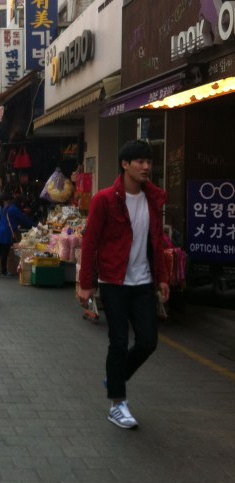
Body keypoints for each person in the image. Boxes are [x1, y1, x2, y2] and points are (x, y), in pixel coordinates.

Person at [77, 140, 170, 429]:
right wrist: (85, 284)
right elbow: (90, 242)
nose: (146, 167)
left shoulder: (153, 199)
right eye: (140, 162)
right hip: (114, 282)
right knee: (118, 342)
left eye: (149, 162)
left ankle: (115, 377)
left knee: (147, 341)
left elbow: (157, 241)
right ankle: (118, 403)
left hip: (143, 282)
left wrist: (163, 277)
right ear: (125, 164)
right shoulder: (105, 199)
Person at [0, 196, 35, 276]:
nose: (23, 205)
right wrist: (36, 226)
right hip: (6, 233)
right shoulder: (15, 209)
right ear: (20, 202)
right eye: (23, 203)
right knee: (5, 252)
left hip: (0, 231)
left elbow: (0, 218)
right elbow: (24, 220)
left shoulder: (7, 207)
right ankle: (4, 270)